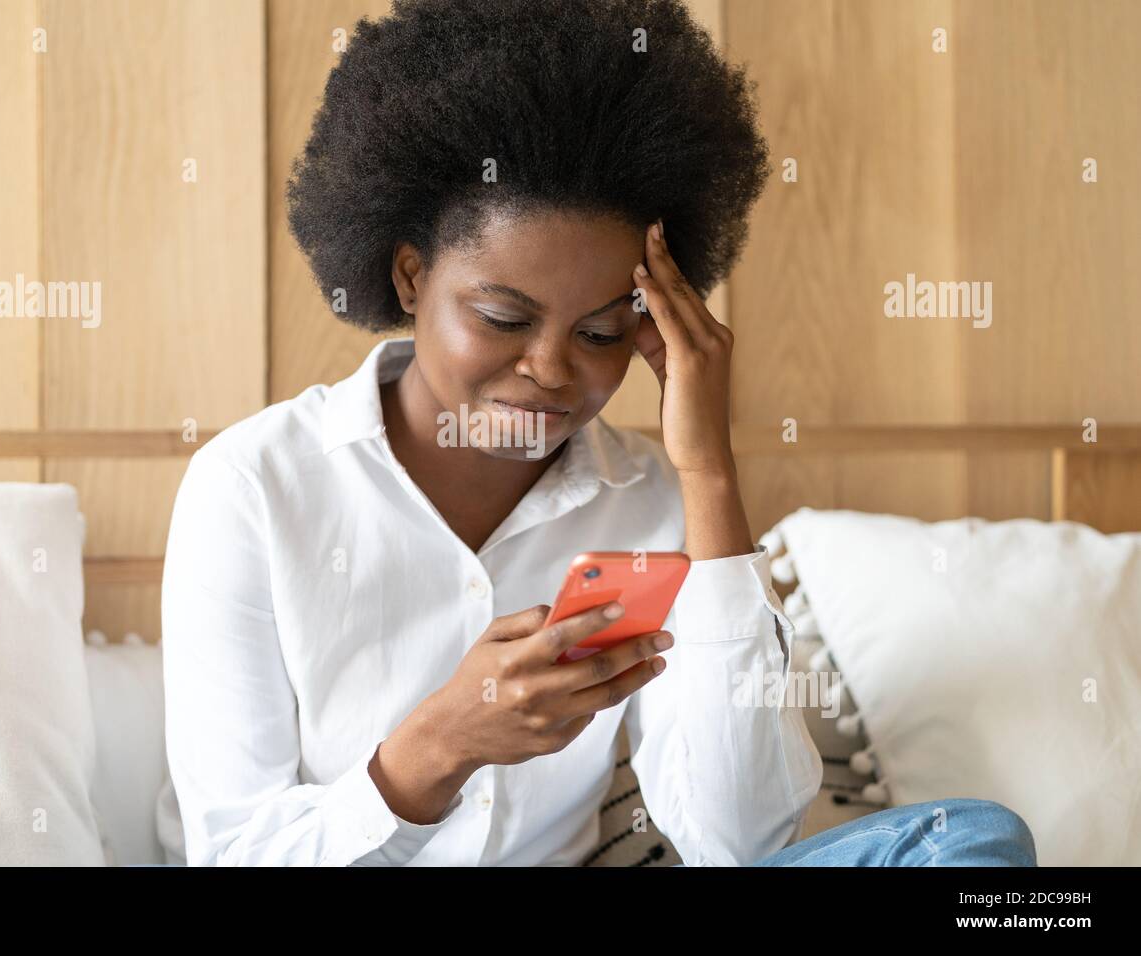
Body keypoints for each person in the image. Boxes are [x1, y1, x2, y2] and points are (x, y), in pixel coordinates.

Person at [160, 0, 1035, 867]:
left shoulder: (652, 499)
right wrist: (440, 744)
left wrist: (709, 475)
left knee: (973, 844)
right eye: (504, 316)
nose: (549, 368)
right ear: (410, 275)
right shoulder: (253, 488)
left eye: (601, 331)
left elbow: (741, 845)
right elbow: (237, 854)